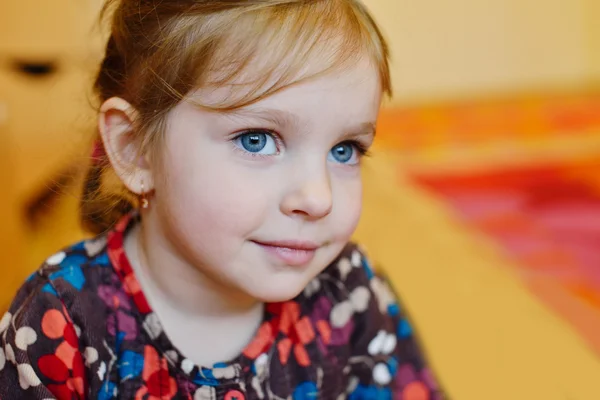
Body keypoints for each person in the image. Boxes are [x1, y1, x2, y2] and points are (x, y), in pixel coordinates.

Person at [0, 1, 442, 398]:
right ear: (135, 149)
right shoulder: (62, 321)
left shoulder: (348, 291)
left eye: (344, 149)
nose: (318, 197)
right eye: (257, 140)